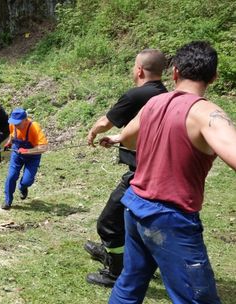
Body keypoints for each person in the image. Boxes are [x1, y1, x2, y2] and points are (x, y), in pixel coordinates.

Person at [100, 41, 236, 303]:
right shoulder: (207, 114)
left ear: (174, 72)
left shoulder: (154, 103)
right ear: (214, 77)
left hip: (135, 208)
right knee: (198, 298)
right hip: (171, 218)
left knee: (129, 285)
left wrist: (115, 138)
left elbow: (129, 139)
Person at [84, 49, 168, 287]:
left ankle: (115, 271)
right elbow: (140, 130)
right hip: (154, 169)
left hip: (141, 173)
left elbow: (105, 121)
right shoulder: (164, 94)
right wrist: (118, 139)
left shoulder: (137, 95)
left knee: (108, 222)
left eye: (134, 66)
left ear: (139, 69)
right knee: (128, 218)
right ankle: (116, 253)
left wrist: (93, 132)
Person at [1, 108, 48, 210]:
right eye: (14, 123)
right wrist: (9, 142)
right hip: (17, 154)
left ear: (25, 120)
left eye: (18, 123)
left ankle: (23, 187)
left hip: (33, 157)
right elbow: (12, 134)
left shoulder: (34, 127)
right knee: (11, 176)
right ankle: (7, 201)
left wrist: (27, 151)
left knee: (27, 181)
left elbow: (44, 148)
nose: (15, 125)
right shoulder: (13, 124)